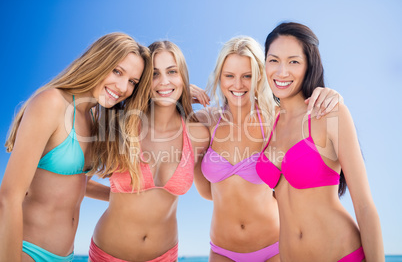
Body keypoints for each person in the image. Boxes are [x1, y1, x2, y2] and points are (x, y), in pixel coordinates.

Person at [0, 32, 152, 262]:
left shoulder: (92, 116)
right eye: (117, 71)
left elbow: (74, 182)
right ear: (99, 61)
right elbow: (9, 196)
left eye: (132, 82)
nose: (122, 87)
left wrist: (123, 198)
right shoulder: (51, 103)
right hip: (26, 251)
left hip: (67, 256)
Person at [192, 36, 342, 262]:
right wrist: (179, 96)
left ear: (259, 76)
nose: (238, 85)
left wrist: (332, 95)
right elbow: (206, 191)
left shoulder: (276, 117)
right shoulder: (204, 121)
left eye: (247, 76)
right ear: (219, 77)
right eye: (229, 76)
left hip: (274, 247)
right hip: (222, 250)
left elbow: (312, 116)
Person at [256, 22, 384, 261]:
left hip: (341, 254)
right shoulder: (267, 122)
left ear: (309, 65)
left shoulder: (331, 114)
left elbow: (365, 207)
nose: (281, 71)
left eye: (293, 61)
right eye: (274, 60)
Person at [88, 40, 210, 262]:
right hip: (107, 254)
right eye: (155, 74)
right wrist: (116, 198)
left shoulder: (198, 135)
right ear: (145, 82)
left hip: (164, 256)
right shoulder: (120, 124)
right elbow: (80, 182)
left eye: (172, 71)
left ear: (183, 75)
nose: (164, 81)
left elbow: (213, 190)